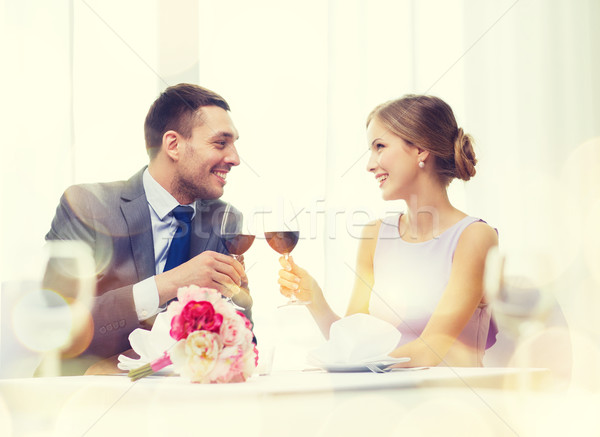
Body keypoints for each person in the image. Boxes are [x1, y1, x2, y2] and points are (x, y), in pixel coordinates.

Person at [278, 95, 498, 367]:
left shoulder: (474, 237)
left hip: (453, 402)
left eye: (379, 147)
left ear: (421, 149)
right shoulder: (374, 235)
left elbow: (432, 349)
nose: (370, 164)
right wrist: (314, 299)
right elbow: (352, 342)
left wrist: (350, 364)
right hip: (385, 396)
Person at [46, 83, 252, 371]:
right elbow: (54, 326)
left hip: (181, 401)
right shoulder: (86, 206)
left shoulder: (225, 219)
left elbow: (242, 339)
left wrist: (236, 313)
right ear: (173, 145)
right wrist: (168, 284)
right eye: (221, 143)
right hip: (83, 395)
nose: (235, 158)